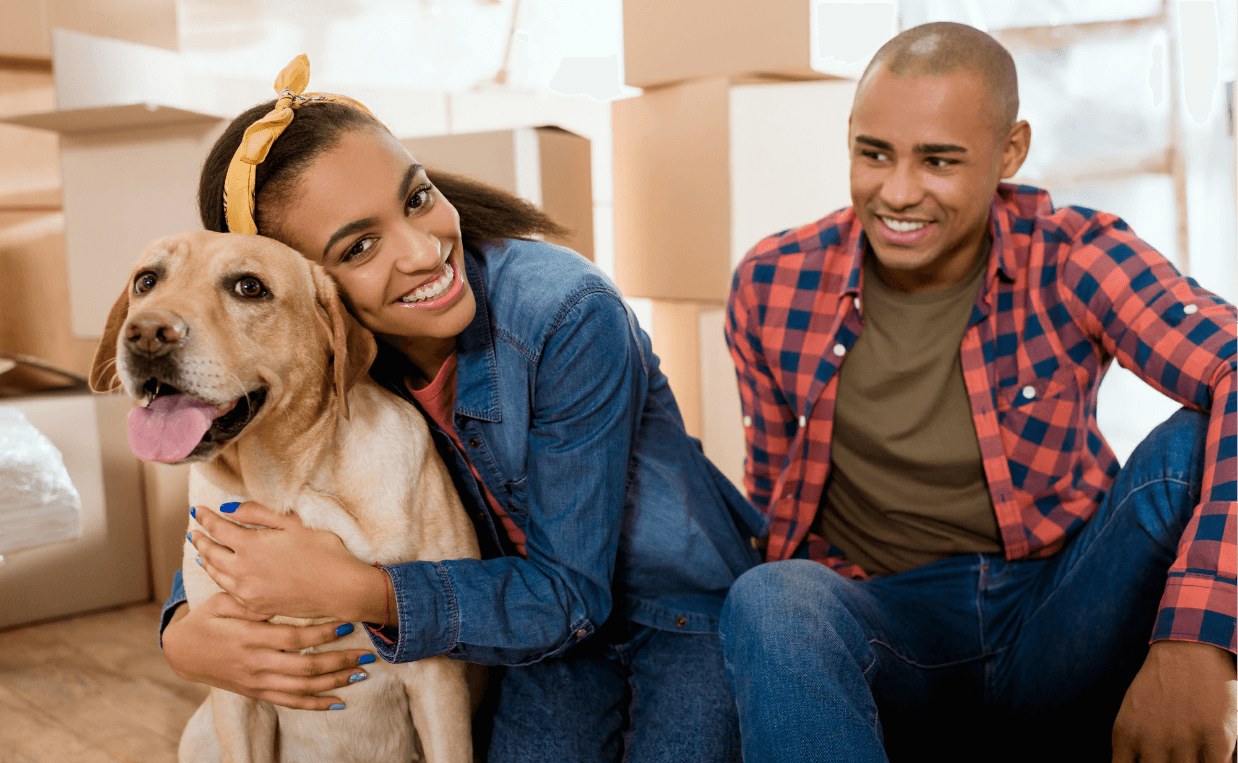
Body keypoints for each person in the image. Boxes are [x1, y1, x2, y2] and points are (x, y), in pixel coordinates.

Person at [159, 55, 766, 762]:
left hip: (674, 613)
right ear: (304, 295)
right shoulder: (330, 355)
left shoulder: (565, 312)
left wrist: (359, 589)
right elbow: (270, 476)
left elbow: (571, 596)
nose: (422, 251)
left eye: (416, 198)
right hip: (523, 629)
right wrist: (182, 623)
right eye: (359, 246)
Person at [722, 22, 1236, 763]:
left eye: (938, 160)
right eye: (874, 153)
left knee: (1191, 447)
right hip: (892, 621)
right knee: (772, 594)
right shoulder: (772, 282)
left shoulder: (1072, 254)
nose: (897, 193)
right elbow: (774, 500)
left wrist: (1199, 639)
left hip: (1062, 607)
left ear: (1010, 152)